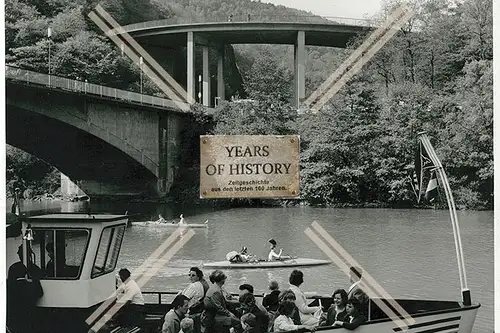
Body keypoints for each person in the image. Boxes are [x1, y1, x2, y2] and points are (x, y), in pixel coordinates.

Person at [7, 244, 44, 333]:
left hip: (14, 319)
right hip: (29, 319)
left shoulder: (13, 268)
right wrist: (35, 281)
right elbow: (39, 292)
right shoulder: (35, 270)